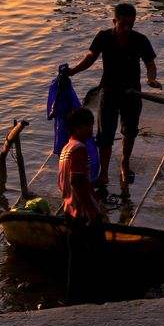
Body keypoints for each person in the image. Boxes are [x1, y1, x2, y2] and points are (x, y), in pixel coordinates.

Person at [67, 3, 161, 188]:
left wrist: (151, 79)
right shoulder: (104, 37)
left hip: (131, 92)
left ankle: (125, 164)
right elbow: (90, 58)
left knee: (130, 131)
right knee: (105, 135)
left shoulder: (140, 40)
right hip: (109, 91)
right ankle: (104, 172)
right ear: (114, 21)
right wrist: (73, 71)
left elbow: (150, 63)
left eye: (130, 25)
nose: (126, 28)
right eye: (122, 24)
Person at [58, 108, 105, 277]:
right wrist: (92, 211)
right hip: (81, 214)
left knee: (75, 263)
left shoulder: (66, 148)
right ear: (78, 128)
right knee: (93, 260)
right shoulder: (79, 149)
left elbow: (63, 183)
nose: (91, 130)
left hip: (68, 210)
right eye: (89, 126)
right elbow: (77, 182)